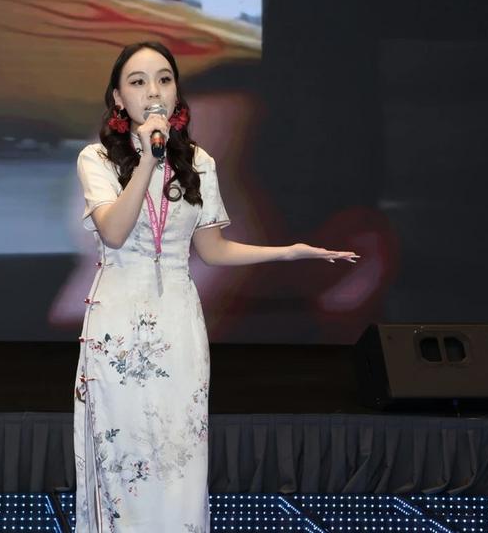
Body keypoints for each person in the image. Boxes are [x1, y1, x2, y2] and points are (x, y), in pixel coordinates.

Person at [73, 41, 359, 532]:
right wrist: (148, 160)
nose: (153, 91)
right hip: (116, 327)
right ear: (118, 98)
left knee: (179, 455)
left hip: (179, 323)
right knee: (123, 456)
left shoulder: (199, 162)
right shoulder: (96, 158)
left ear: (177, 92)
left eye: (164, 79)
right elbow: (114, 232)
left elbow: (213, 250)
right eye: (138, 82)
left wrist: (288, 252)